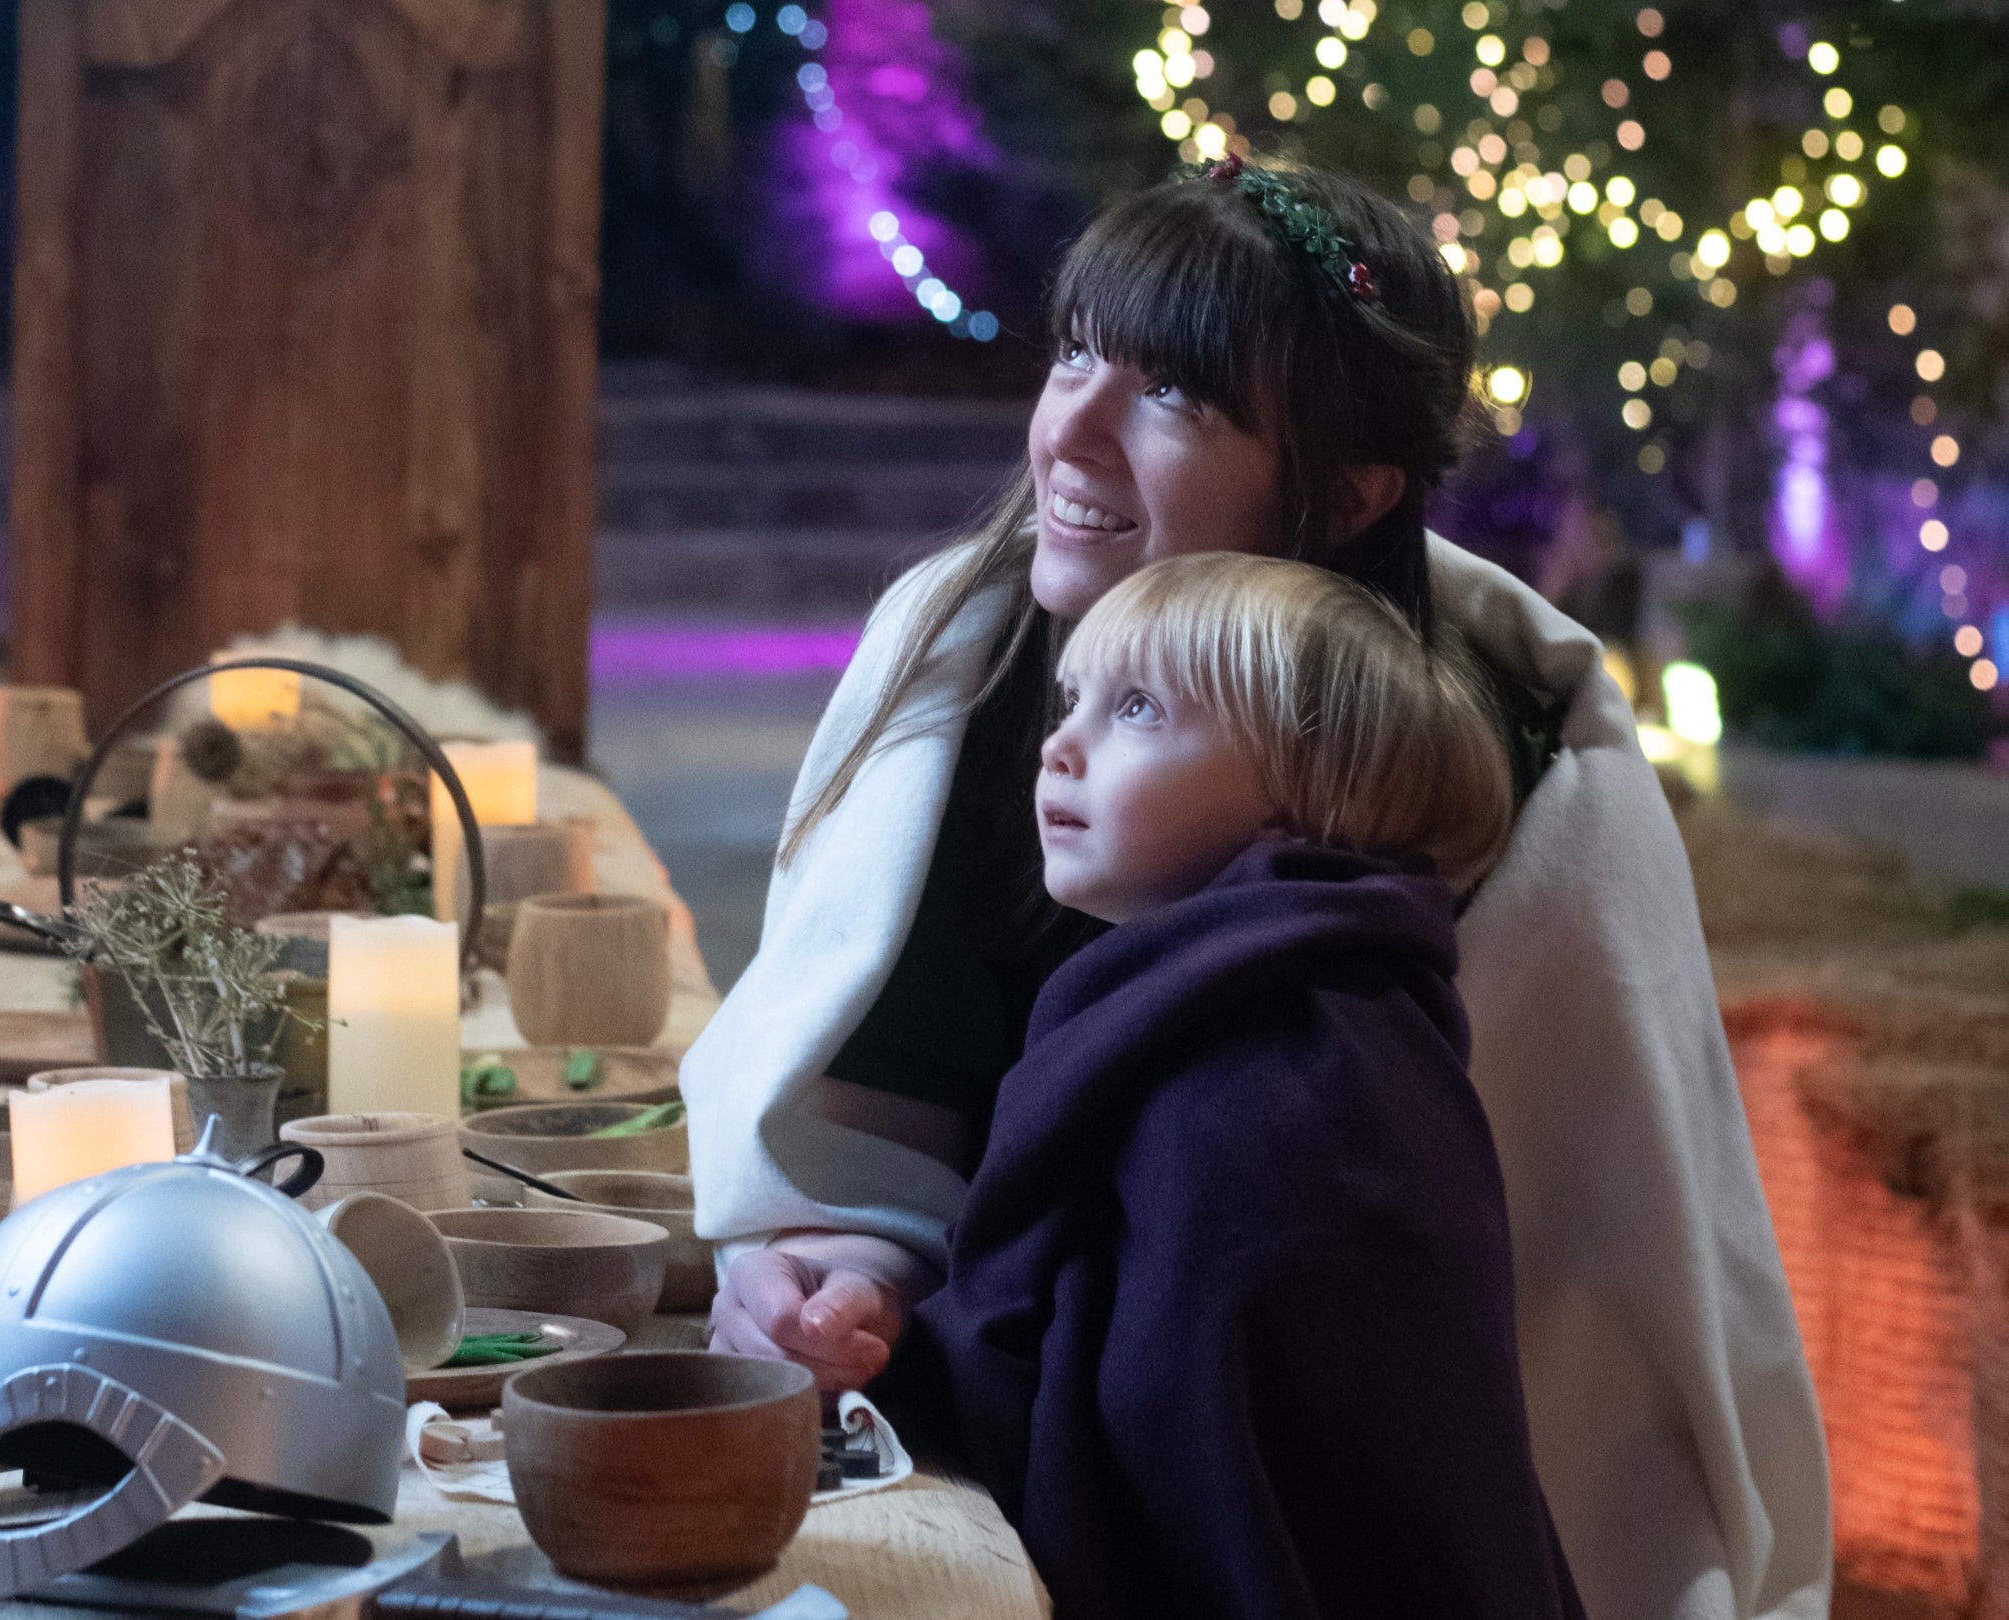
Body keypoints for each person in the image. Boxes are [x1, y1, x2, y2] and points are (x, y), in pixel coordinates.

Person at [679, 158, 1831, 1620]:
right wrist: (840, 1268)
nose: (1069, 430)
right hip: (1031, 1425)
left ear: (1346, 491)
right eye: (1075, 354)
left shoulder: (1513, 788)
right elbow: (883, 1113)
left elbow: (1557, 1307)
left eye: (1173, 394)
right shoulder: (976, 666)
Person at [913, 549, 1576, 1619]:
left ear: (1305, 798)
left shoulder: (1290, 1072)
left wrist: (914, 1370)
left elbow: (1185, 1434)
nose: (1058, 747)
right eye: (1073, 700)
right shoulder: (1264, 1002)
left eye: (1137, 710)